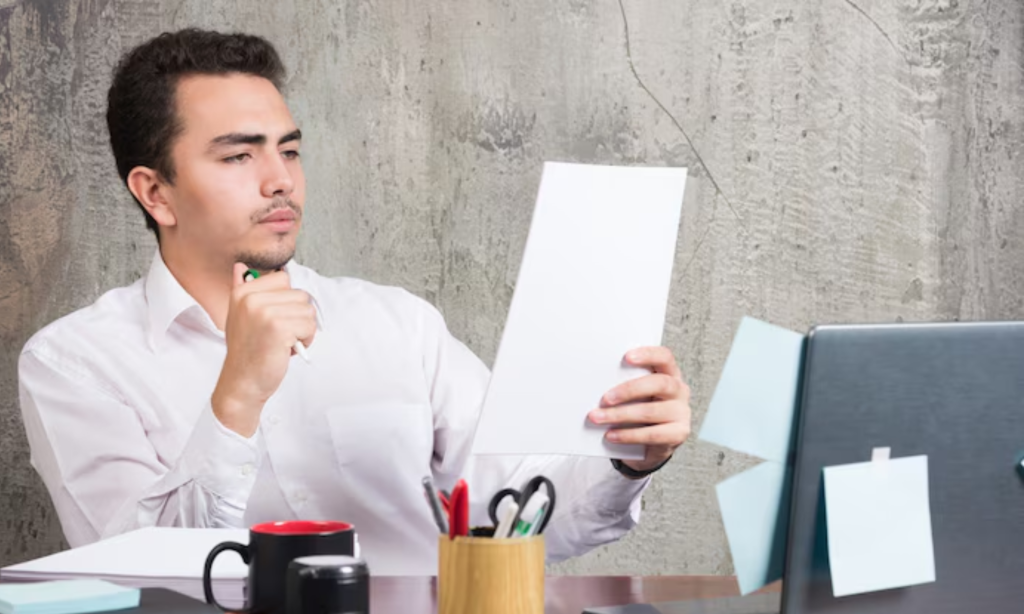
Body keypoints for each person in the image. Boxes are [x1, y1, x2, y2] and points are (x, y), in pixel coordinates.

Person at [18, 29, 692, 575]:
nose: (281, 180)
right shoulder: (75, 363)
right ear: (154, 192)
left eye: (289, 149)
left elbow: (524, 512)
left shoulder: (398, 325)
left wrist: (625, 458)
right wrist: (237, 397)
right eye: (237, 158)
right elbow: (144, 574)